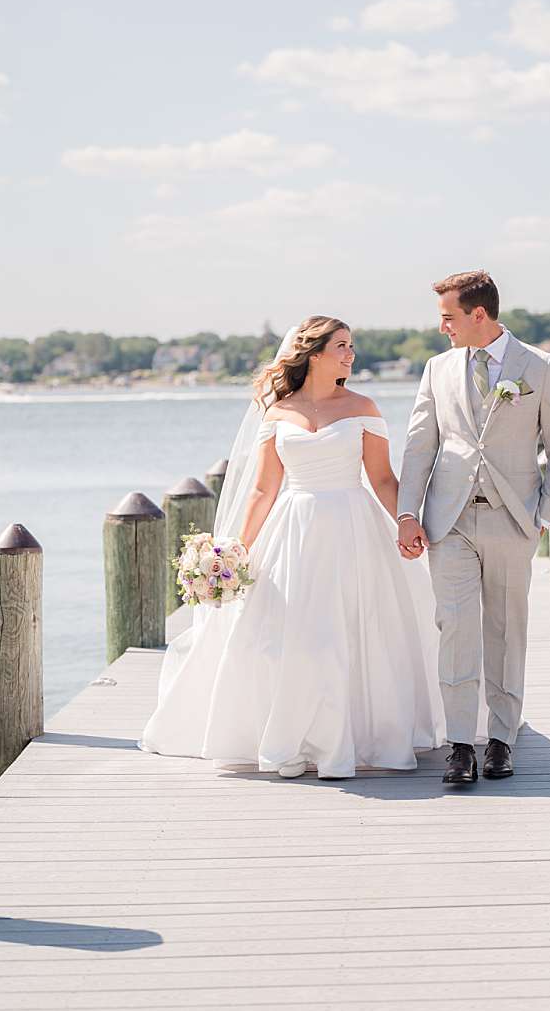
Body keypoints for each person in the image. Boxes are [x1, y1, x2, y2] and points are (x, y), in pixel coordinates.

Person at [141, 316, 445, 779]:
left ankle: (349, 742)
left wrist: (406, 521)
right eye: (342, 346)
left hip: (353, 528)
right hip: (293, 532)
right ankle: (294, 741)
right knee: (294, 637)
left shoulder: (363, 406)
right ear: (315, 353)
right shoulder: (278, 414)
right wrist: (234, 551)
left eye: (351, 346)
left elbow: (383, 478)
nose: (351, 354)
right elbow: (263, 490)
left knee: (351, 632)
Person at [396, 270, 550, 786]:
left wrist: (545, 515)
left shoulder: (540, 367)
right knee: (454, 627)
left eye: (448, 317)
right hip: (448, 520)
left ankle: (501, 738)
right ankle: (459, 744)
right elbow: (419, 447)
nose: (442, 328)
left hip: (513, 518)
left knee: (504, 629)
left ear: (479, 314)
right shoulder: (437, 369)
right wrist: (409, 512)